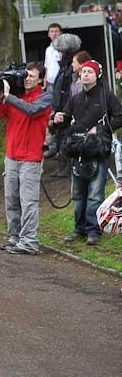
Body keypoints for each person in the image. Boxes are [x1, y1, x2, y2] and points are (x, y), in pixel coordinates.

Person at [53, 60, 122, 246]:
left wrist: (101, 129)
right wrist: (58, 118)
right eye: (83, 71)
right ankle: (79, 229)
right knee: (78, 193)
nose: (85, 74)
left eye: (89, 71)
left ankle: (94, 230)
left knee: (95, 194)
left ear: (98, 75)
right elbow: (66, 117)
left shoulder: (106, 96)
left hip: (98, 151)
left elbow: (120, 116)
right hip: (77, 151)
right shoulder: (75, 97)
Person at [0, 62, 52, 255]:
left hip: (31, 158)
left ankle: (29, 242)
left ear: (41, 79)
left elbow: (32, 110)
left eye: (31, 77)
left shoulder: (45, 97)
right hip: (12, 156)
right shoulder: (16, 96)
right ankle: (15, 237)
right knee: (11, 199)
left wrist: (9, 97)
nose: (26, 80)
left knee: (28, 202)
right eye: (25, 76)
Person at [44, 34, 83, 162]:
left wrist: (62, 110)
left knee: (65, 137)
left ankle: (66, 165)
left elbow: (67, 92)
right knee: (60, 136)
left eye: (60, 51)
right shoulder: (64, 69)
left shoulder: (69, 71)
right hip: (60, 109)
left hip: (65, 110)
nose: (58, 54)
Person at [43, 23, 62, 87]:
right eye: (52, 31)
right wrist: (45, 79)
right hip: (49, 83)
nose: (54, 34)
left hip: (61, 83)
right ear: (49, 34)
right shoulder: (48, 49)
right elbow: (47, 66)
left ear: (61, 33)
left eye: (56, 31)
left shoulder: (64, 47)